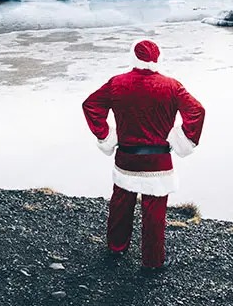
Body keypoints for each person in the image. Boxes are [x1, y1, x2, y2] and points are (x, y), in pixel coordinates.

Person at [82, 39, 206, 271]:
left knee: (120, 204)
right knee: (155, 213)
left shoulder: (117, 83)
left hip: (126, 159)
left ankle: (116, 247)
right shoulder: (172, 86)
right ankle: (152, 261)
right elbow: (197, 111)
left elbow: (91, 105)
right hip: (158, 162)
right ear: (158, 59)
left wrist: (106, 134)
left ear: (133, 57)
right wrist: (181, 138)